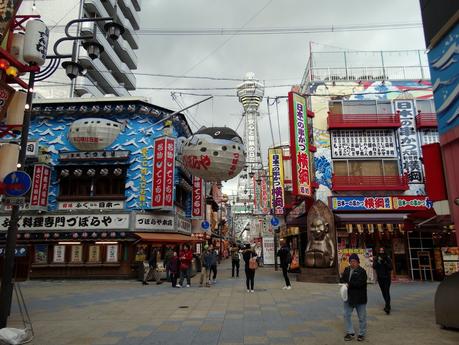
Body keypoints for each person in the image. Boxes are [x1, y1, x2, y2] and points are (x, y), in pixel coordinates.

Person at [341, 253, 368, 342]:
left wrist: (349, 284)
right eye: (351, 261)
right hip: (349, 297)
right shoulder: (347, 269)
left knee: (362, 317)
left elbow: (360, 283)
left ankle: (361, 334)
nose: (352, 263)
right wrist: (342, 282)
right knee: (346, 314)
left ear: (358, 262)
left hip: (360, 298)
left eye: (354, 261)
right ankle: (350, 332)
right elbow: (343, 279)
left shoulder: (362, 271)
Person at [373, 247, 393, 314]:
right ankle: (387, 304)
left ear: (384, 251)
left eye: (382, 250)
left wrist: (384, 262)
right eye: (380, 250)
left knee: (387, 291)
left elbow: (391, 267)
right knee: (383, 291)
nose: (381, 252)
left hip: (387, 277)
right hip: (380, 277)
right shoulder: (376, 258)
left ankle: (387, 306)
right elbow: (374, 266)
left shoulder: (387, 258)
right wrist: (378, 262)